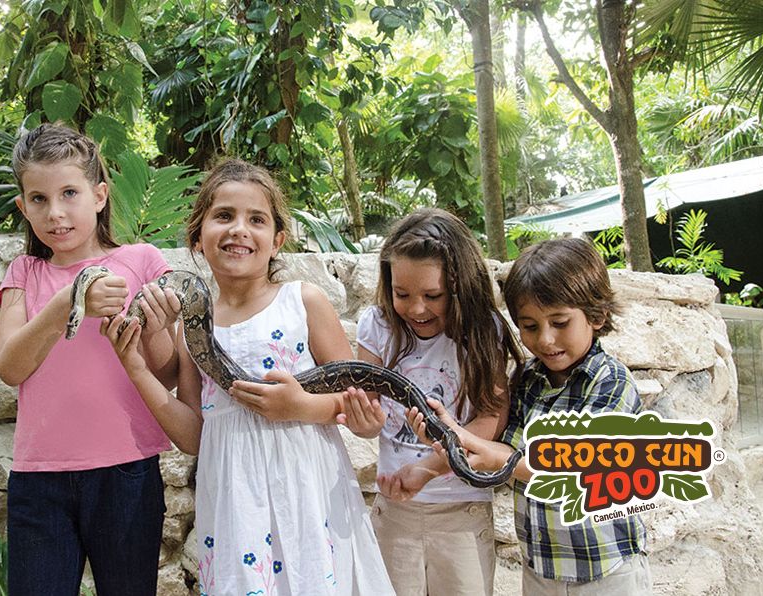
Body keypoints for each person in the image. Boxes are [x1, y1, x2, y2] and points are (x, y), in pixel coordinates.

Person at [131, 157, 393, 595]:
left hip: (308, 491)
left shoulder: (303, 302)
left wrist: (300, 406)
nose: (239, 229)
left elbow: (354, 400)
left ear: (277, 240)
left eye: (256, 219)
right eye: (223, 216)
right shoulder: (193, 329)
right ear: (198, 238)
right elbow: (195, 437)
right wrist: (139, 368)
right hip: (236, 499)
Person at [0, 123, 181, 596]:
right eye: (38, 199)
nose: (55, 213)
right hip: (39, 478)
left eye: (69, 193)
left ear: (98, 196)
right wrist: (66, 304)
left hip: (127, 471)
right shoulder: (25, 271)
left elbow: (171, 372)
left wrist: (155, 326)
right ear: (23, 206)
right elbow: (10, 367)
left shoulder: (140, 260)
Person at [410, 237, 652, 595]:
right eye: (530, 326)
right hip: (542, 569)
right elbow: (500, 457)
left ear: (597, 316)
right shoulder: (526, 381)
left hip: (608, 569)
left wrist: (491, 453)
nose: (546, 340)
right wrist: (449, 439)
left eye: (560, 322)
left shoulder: (610, 382)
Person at [337, 208, 524, 596]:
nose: (417, 308)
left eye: (433, 295)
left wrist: (430, 467)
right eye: (402, 294)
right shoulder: (378, 325)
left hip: (462, 512)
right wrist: (363, 422)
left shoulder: (482, 330)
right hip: (396, 512)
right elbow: (366, 405)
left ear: (460, 286)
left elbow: (492, 416)